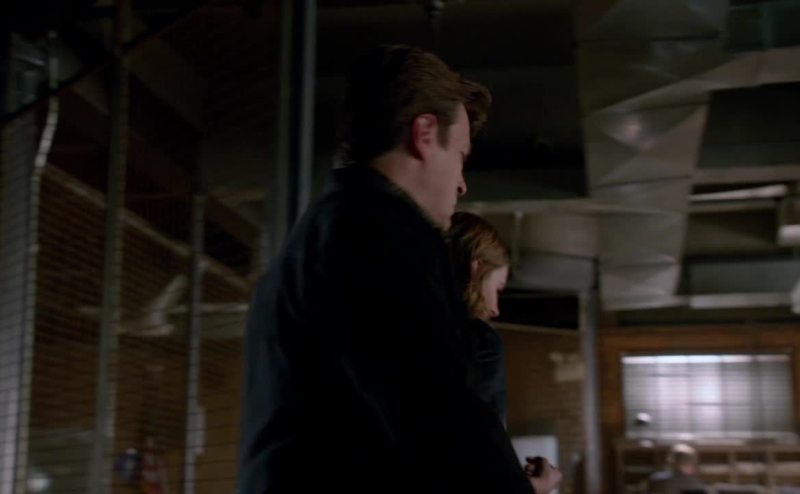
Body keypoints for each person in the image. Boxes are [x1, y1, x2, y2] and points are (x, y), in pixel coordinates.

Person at [238, 45, 561, 494]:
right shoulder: (380, 234)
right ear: (424, 133)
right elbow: (440, 418)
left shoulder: (324, 230)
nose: (462, 183)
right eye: (460, 156)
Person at [446, 211, 510, 423]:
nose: (495, 309)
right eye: (497, 288)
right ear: (477, 267)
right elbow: (484, 434)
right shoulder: (480, 343)